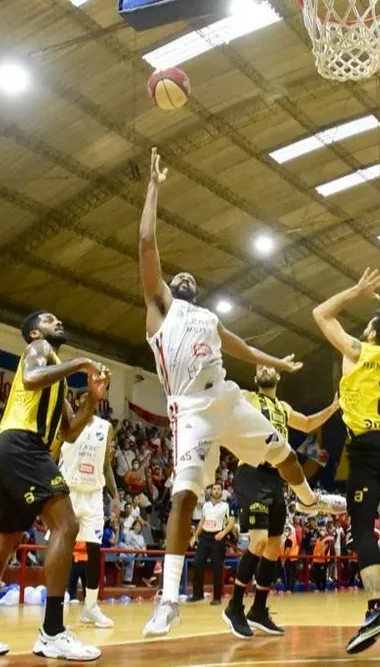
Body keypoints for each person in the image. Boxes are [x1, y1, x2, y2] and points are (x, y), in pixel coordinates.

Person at [137, 148, 345, 638]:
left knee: (283, 450)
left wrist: (279, 363)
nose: (185, 278)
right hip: (190, 409)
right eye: (178, 276)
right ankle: (168, 600)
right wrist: (153, 187)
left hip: (229, 397)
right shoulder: (159, 307)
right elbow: (147, 241)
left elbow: (244, 348)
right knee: (184, 497)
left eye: (192, 278)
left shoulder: (208, 318)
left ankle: (309, 500)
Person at [0, 309, 109, 661]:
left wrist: (93, 399)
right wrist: (81, 361)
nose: (58, 322)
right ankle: (52, 631)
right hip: (23, 444)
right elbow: (32, 377)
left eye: (59, 318)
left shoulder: (60, 379)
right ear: (34, 333)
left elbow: (69, 433)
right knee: (67, 524)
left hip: (13, 449)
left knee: (5, 543)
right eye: (49, 319)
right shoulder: (38, 352)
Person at [311, 267, 380, 654]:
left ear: (373, 332)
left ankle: (377, 609)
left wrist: (356, 291)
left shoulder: (357, 351)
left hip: (369, 445)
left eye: (369, 325)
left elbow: (320, 314)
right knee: (363, 505)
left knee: (361, 526)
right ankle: (341, 500)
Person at [223, 364, 340, 639]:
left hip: (276, 478)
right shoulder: (248, 397)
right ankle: (234, 607)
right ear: (255, 377)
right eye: (260, 366)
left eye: (270, 366)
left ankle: (259, 610)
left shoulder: (283, 407)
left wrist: (334, 407)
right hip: (251, 472)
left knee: (274, 547)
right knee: (259, 541)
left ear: (278, 376)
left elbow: (308, 424)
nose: (265, 368)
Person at [56, 397, 117, 628]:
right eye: (83, 399)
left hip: (93, 494)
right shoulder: (68, 421)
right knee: (62, 547)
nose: (87, 402)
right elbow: (55, 453)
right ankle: (57, 599)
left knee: (93, 550)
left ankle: (90, 607)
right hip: (68, 490)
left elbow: (106, 465)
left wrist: (116, 495)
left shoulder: (105, 427)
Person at [190, 483, 234, 606]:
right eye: (214, 489)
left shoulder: (226, 506)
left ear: (222, 491)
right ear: (211, 491)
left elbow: (231, 522)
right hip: (205, 537)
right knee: (197, 563)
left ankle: (217, 597)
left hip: (218, 537)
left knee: (217, 568)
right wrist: (195, 536)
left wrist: (223, 533)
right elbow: (202, 522)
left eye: (218, 489)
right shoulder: (206, 506)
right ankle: (197, 594)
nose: (216, 491)